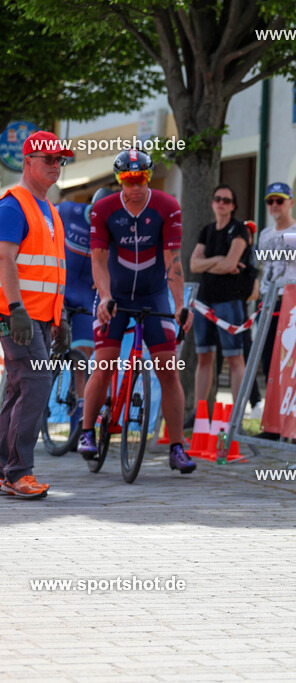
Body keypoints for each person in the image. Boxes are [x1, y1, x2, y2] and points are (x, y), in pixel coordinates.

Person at [78, 149, 195, 473]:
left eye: (140, 178)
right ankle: (87, 430)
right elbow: (98, 258)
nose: (134, 186)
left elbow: (173, 260)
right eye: (127, 180)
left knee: (168, 370)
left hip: (152, 294)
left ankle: (176, 447)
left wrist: (181, 305)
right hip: (114, 294)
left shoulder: (166, 206)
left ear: (148, 176)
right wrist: (103, 297)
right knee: (104, 363)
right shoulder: (103, 209)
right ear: (118, 180)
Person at [0, 130, 72, 498]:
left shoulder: (50, 211)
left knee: (18, 389)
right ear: (28, 162)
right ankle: (18, 473)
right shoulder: (13, 205)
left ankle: (4, 470)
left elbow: (50, 271)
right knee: (37, 383)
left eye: (60, 160)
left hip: (40, 319)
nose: (56, 166)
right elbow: (4, 259)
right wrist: (16, 310)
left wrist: (61, 318)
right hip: (17, 317)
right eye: (49, 159)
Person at [255, 182, 296, 414]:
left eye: (279, 200)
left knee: (290, 363)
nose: (274, 206)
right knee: (268, 362)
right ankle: (272, 420)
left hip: (293, 305)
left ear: (290, 202)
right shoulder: (264, 235)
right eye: (270, 201)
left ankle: (291, 417)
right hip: (267, 302)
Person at [190, 184, 252, 406]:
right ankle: (199, 415)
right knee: (203, 357)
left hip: (229, 300)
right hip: (204, 301)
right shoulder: (206, 231)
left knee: (235, 358)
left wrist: (214, 262)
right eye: (218, 199)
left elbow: (229, 263)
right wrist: (218, 260)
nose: (221, 203)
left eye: (226, 200)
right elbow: (193, 265)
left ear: (233, 205)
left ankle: (236, 417)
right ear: (212, 203)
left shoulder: (239, 229)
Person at [58, 188, 111, 437]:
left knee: (82, 358)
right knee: (42, 350)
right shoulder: (69, 211)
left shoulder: (113, 232)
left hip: (86, 298)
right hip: (58, 290)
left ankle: (78, 421)